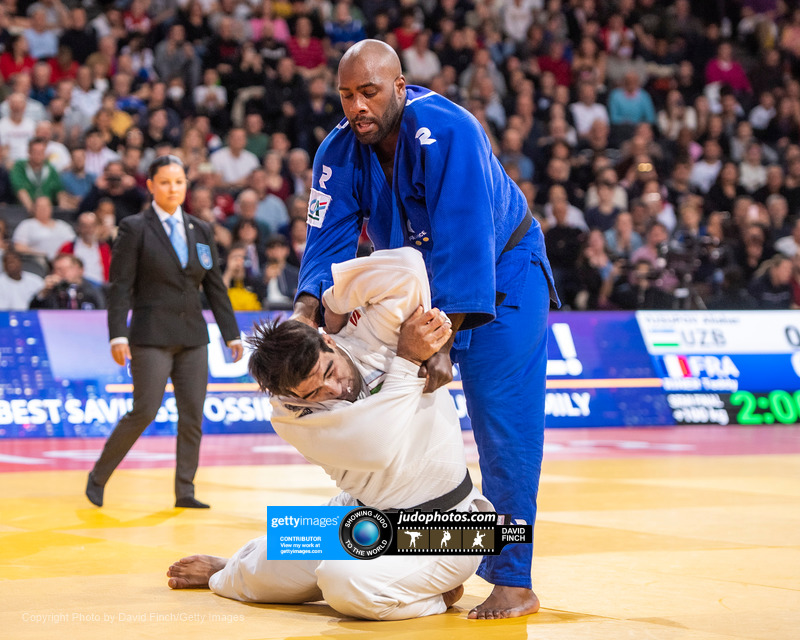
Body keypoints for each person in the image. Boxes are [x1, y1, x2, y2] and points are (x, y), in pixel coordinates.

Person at [291, 40, 558, 619]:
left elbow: (468, 235)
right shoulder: (338, 150)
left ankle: (513, 578)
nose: (357, 106)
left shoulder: (448, 129)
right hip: (415, 288)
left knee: (501, 427)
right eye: (345, 95)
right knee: (394, 424)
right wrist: (302, 320)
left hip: (502, 276)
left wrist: (444, 338)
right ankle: (437, 556)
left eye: (369, 92)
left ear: (400, 86)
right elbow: (326, 243)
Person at [167, 247, 490, 621]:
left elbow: (406, 267)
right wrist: (406, 359)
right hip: (364, 521)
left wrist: (335, 300)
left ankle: (435, 595)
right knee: (252, 579)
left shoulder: (369, 336)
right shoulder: (289, 416)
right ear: (289, 396)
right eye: (313, 391)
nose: (332, 390)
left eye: (329, 370)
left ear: (328, 341)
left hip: (451, 527)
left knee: (341, 582)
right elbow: (377, 446)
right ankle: (230, 567)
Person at [86, 156, 243, 509]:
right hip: (150, 336)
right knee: (144, 411)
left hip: (193, 338)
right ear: (152, 186)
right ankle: (98, 476)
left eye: (179, 182)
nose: (174, 188)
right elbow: (120, 286)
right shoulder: (134, 227)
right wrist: (117, 334)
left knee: (192, 416)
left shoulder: (201, 230)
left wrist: (231, 333)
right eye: (166, 182)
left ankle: (185, 491)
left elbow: (215, 286)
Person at [29, 252, 104, 310]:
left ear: (80, 270)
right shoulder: (51, 292)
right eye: (58, 269)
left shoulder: (93, 290)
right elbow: (33, 310)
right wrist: (44, 292)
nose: (63, 272)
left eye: (68, 268)